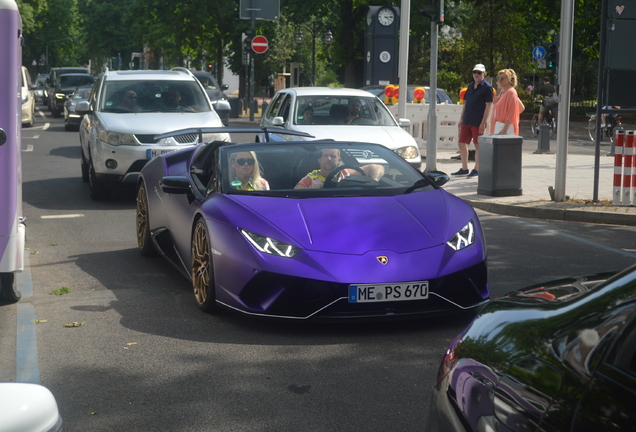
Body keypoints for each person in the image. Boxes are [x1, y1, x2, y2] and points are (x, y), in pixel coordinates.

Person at [455, 64, 494, 178]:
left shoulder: (487, 87)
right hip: (467, 119)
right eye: (475, 72)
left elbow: (488, 105)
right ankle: (464, 168)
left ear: (484, 74)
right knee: (462, 143)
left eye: (479, 72)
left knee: (478, 145)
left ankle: (476, 168)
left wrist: (483, 122)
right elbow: (466, 103)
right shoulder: (471, 86)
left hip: (478, 120)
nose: (476, 74)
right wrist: (461, 118)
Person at [295, 148, 384, 189]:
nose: (329, 159)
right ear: (319, 160)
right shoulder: (309, 180)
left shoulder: (346, 173)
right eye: (325, 156)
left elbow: (377, 167)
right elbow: (296, 199)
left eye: (333, 156)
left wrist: (374, 181)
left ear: (339, 160)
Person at [490, 69, 524, 136]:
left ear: (509, 79)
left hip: (505, 127)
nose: (499, 80)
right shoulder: (503, 92)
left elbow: (512, 112)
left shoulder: (511, 92)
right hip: (498, 125)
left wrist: (505, 129)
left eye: (502, 78)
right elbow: (521, 108)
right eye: (498, 78)